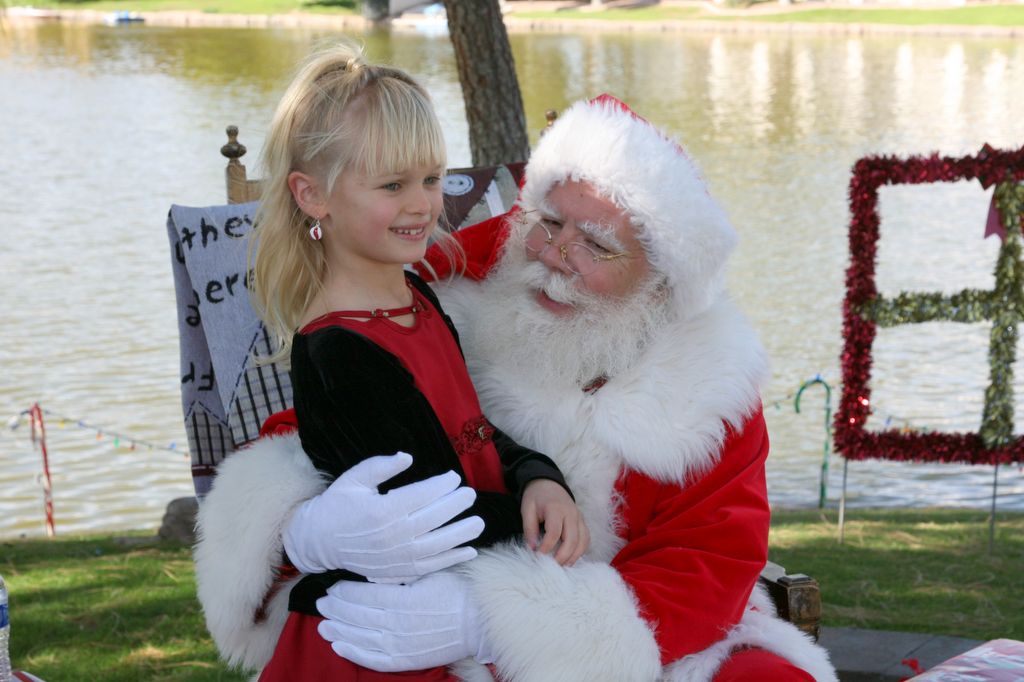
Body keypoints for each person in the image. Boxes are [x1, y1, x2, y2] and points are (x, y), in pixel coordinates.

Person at [195, 93, 839, 681]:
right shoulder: (455, 280)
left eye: (597, 246)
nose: (557, 255)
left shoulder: (711, 386)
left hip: (613, 635)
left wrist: (500, 619)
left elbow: (708, 563)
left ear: (660, 281)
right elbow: (321, 410)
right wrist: (304, 527)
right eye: (551, 222)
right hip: (420, 605)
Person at [208, 41, 588, 680]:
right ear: (312, 196)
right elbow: (429, 508)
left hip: (457, 588)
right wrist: (552, 555)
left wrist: (539, 477)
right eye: (392, 185)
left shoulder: (415, 300)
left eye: (432, 179)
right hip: (387, 637)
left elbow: (473, 435)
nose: (423, 204)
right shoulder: (339, 349)